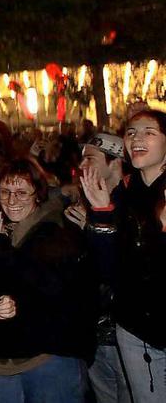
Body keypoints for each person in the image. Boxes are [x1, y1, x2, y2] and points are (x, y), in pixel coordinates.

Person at [0, 160, 98, 403]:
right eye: (5, 192)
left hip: (48, 357)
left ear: (37, 194)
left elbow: (37, 286)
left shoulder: (57, 231)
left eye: (21, 192)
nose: (12, 200)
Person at [81, 110, 166, 403]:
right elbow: (110, 271)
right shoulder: (124, 195)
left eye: (149, 132)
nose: (137, 138)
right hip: (136, 331)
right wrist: (101, 215)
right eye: (131, 132)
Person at [73, 133, 129, 403]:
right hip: (95, 330)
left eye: (90, 158)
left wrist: (97, 226)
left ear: (115, 162)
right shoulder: (80, 201)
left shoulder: (134, 204)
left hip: (128, 330)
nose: (82, 165)